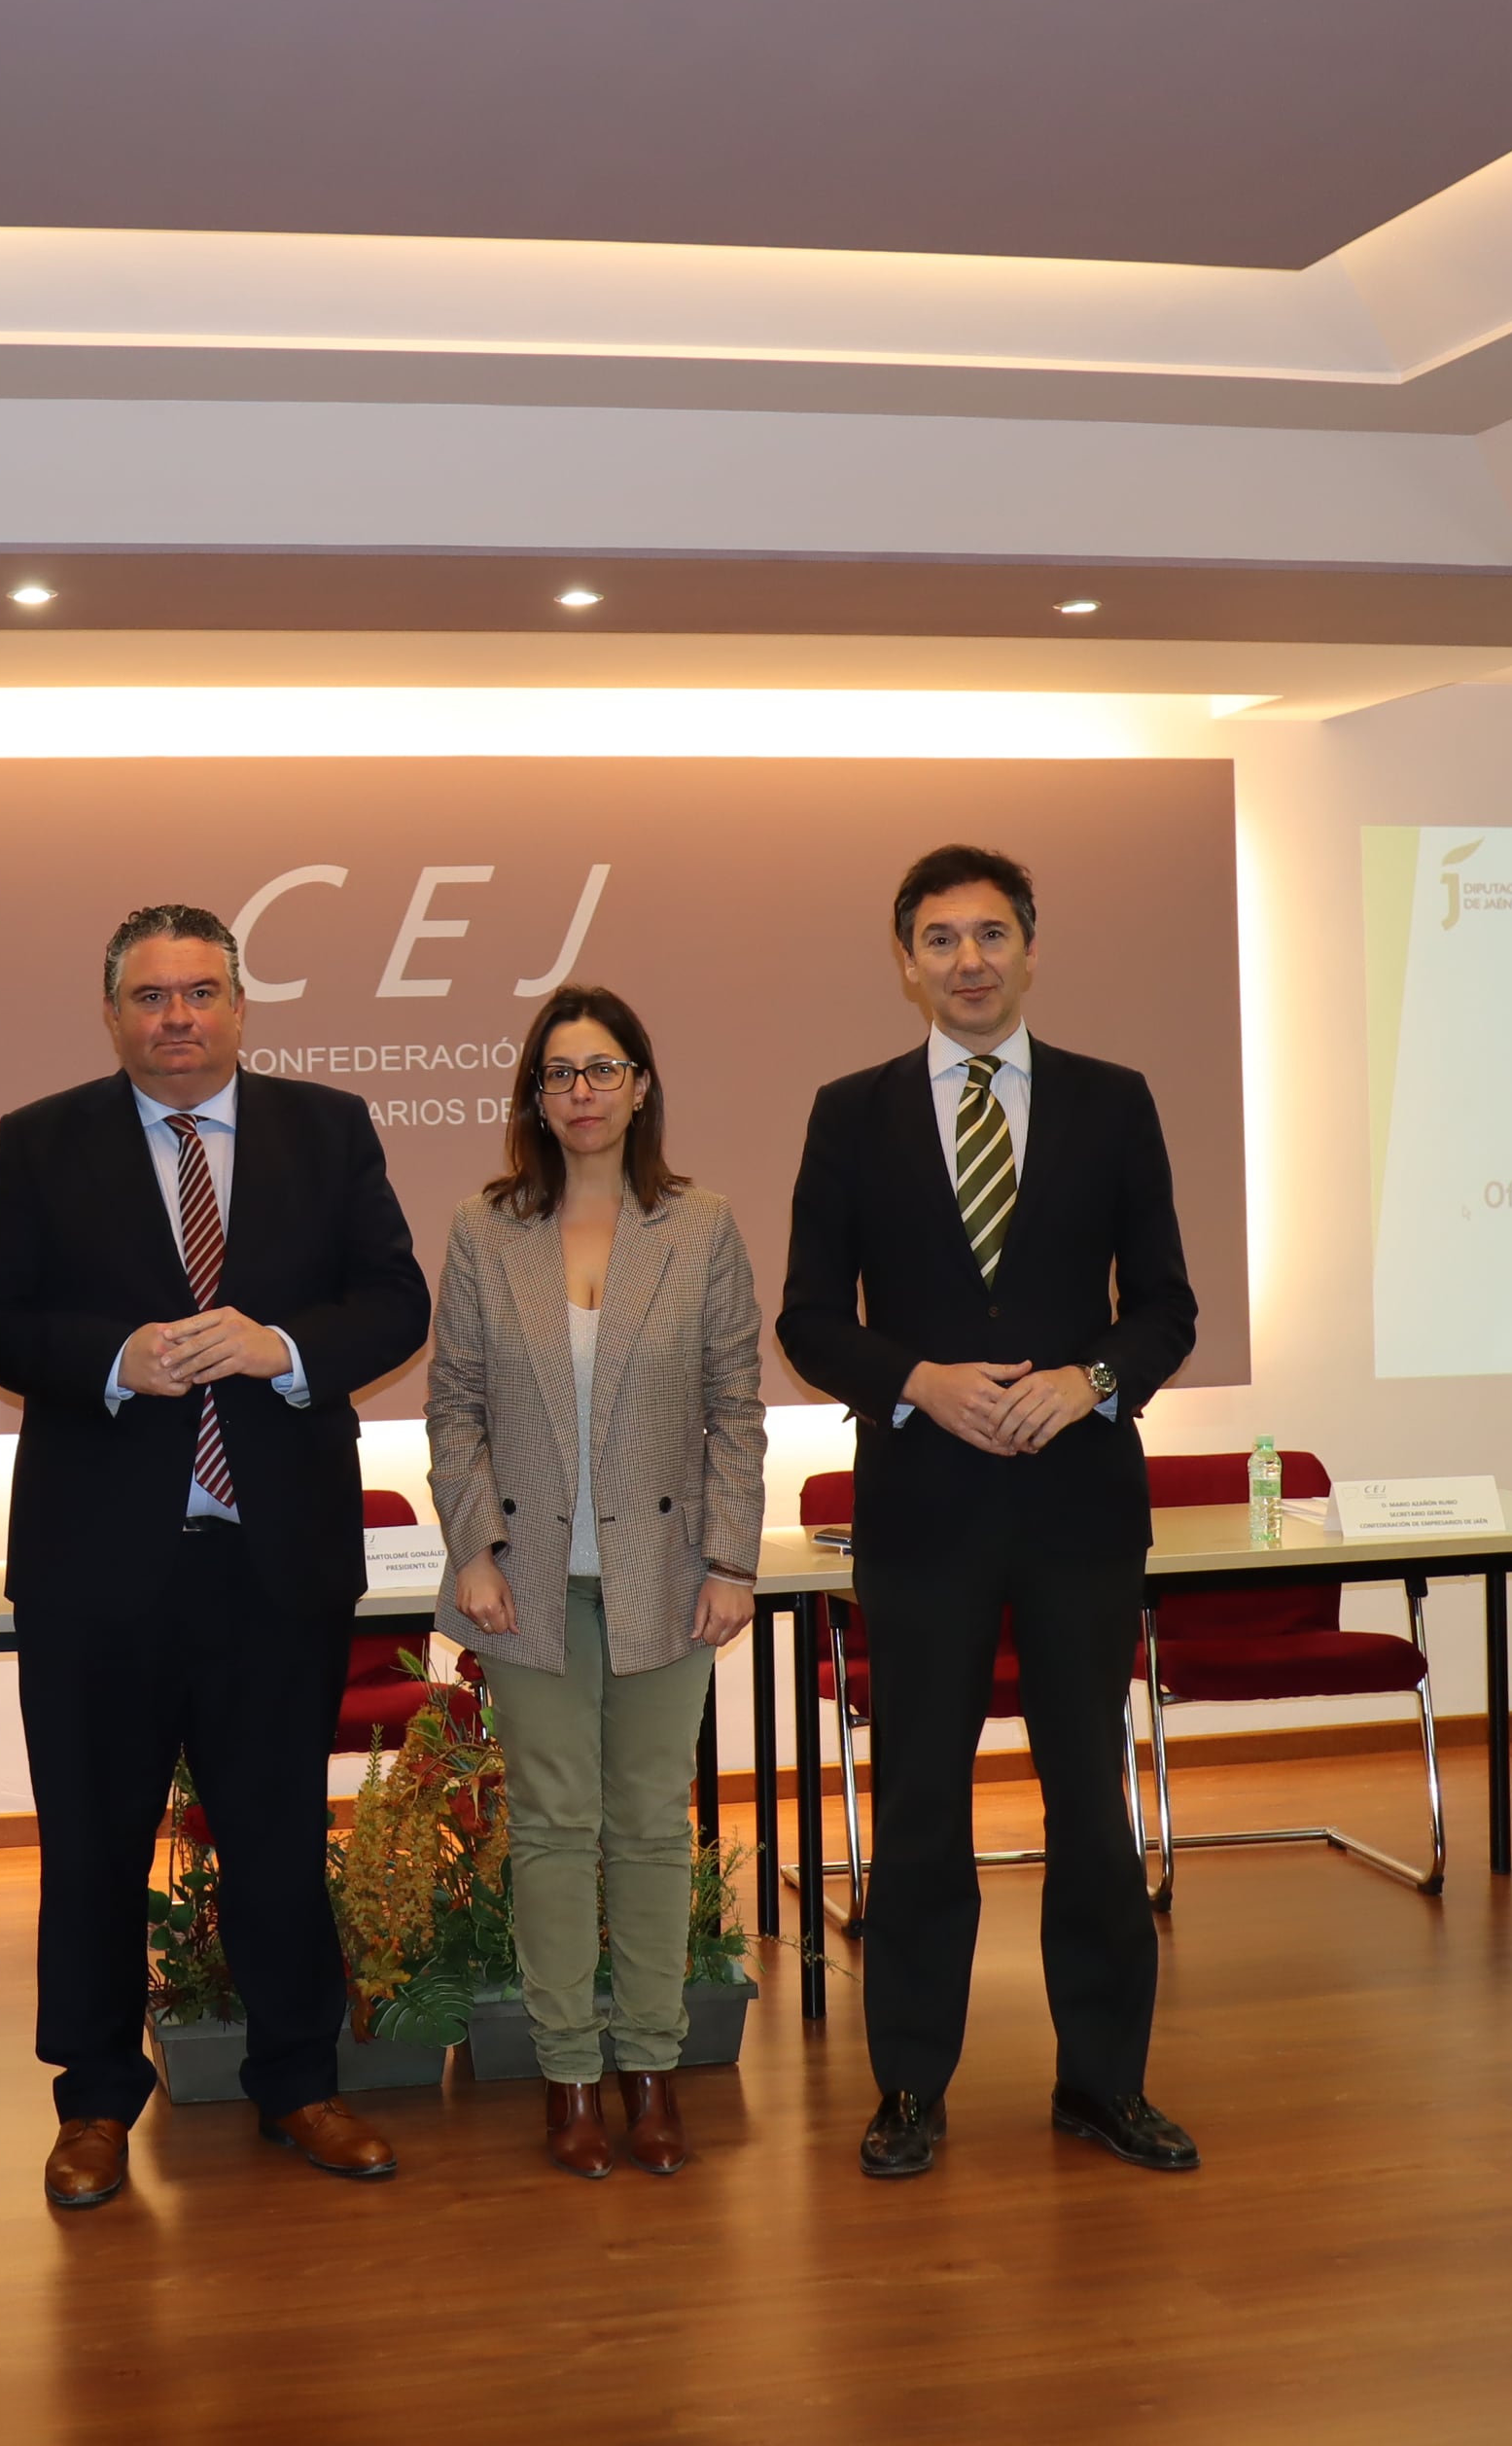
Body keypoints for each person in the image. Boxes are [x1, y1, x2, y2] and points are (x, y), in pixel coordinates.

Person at [0, 903, 432, 2209]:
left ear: (240, 1006)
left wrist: (280, 1348)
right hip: (95, 1567)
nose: (178, 1018)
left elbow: (396, 1298)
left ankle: (299, 2082)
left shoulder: (324, 1132)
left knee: (278, 1834)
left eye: (201, 993)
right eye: (151, 997)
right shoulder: (41, 1141)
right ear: (113, 1016)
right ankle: (96, 2104)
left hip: (272, 1560)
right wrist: (119, 1360)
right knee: (94, 1845)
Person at [779, 842, 1201, 2182]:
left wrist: (1093, 1382)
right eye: (942, 940)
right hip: (925, 1509)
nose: (969, 961)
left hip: (1079, 1507)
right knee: (917, 1808)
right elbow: (806, 1318)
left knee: (1092, 1800)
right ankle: (910, 2085)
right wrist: (917, 1381)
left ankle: (1103, 2083)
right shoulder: (850, 1113)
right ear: (907, 963)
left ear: (1032, 946)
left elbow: (1169, 1309)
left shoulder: (1114, 1101)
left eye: (992, 935)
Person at [427, 986, 765, 2178]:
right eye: (560, 1073)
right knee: (555, 1833)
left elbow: (738, 1407)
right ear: (533, 1096)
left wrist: (733, 1558)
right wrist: (469, 1545)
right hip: (522, 1585)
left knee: (651, 1833)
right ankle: (571, 2077)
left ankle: (654, 2069)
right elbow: (453, 1402)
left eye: (602, 1069)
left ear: (641, 1086)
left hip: (667, 1579)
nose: (582, 1091)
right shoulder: (483, 1229)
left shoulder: (700, 1224)